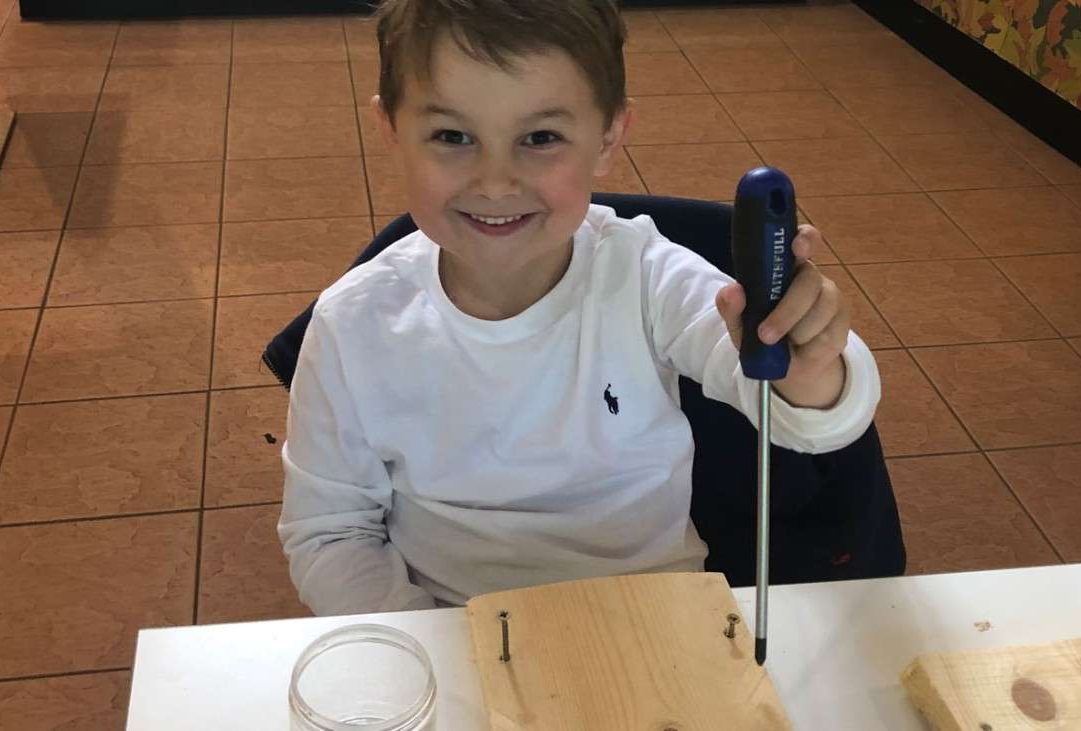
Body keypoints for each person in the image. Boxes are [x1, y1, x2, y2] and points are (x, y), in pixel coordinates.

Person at [278, 0, 883, 616]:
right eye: (452, 136)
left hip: (654, 613)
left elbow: (811, 415)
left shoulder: (646, 275)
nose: (494, 181)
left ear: (607, 139)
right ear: (391, 131)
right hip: (456, 627)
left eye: (540, 138)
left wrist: (811, 370)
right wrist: (431, 645)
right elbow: (331, 532)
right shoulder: (352, 323)